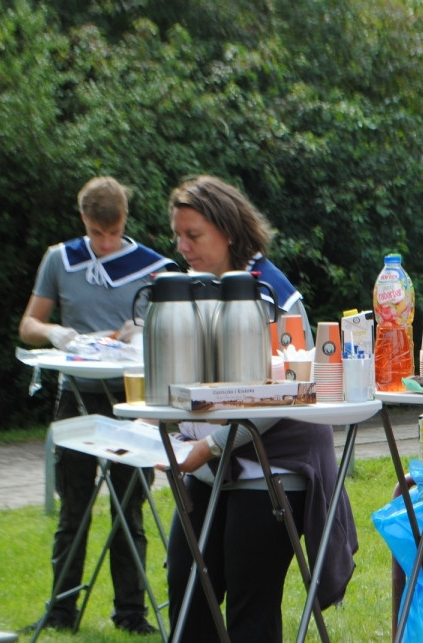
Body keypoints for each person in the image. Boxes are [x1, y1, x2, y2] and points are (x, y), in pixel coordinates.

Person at [163, 174, 355, 642]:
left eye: (194, 235)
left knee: (251, 601)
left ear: (227, 231)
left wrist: (208, 445)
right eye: (177, 236)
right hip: (210, 461)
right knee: (188, 588)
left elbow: (290, 391)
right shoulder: (190, 288)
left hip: (274, 464)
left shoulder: (272, 293)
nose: (182, 246)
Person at [18, 176, 175, 635]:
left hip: (130, 394)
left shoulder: (151, 267)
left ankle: (132, 614)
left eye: (113, 232)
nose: (105, 243)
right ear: (83, 220)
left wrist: (140, 331)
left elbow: (167, 328)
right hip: (77, 393)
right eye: (96, 233)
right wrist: (53, 333)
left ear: (125, 220)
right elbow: (29, 322)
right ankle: (62, 611)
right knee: (75, 508)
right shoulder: (60, 259)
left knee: (130, 507)